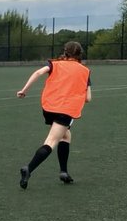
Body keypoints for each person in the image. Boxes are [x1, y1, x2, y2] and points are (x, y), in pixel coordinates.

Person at [16, 40, 92, 189]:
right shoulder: (85, 71)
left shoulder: (54, 64)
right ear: (80, 54)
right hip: (65, 110)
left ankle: (64, 172)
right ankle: (28, 169)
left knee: (66, 136)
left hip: (49, 107)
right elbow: (88, 98)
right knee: (51, 141)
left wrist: (24, 90)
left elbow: (38, 72)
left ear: (65, 52)